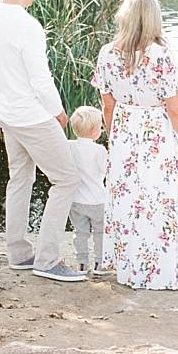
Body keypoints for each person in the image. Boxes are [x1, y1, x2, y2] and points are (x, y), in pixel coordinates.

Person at [0, 0, 85, 282]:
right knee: (67, 180)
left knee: (20, 178)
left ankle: (19, 253)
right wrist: (59, 112)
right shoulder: (27, 25)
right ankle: (48, 260)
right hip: (32, 115)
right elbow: (40, 80)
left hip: (5, 111)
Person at [90, 0, 178, 290]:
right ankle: (159, 270)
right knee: (158, 199)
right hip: (156, 132)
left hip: (124, 130)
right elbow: (175, 108)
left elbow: (107, 105)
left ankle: (128, 267)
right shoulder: (162, 55)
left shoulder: (107, 52)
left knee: (127, 199)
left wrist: (113, 136)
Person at [66, 106, 108, 276]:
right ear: (93, 131)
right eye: (100, 127)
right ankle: (100, 262)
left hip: (76, 200)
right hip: (97, 200)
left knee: (80, 233)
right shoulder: (99, 150)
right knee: (100, 232)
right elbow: (106, 170)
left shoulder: (69, 146)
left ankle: (82, 263)